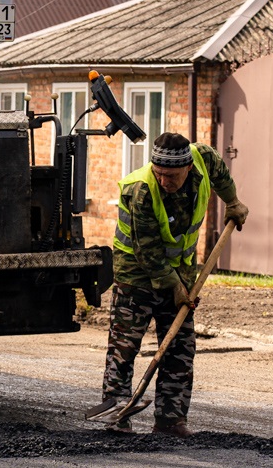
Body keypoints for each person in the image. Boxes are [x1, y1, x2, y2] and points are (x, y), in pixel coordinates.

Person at [101, 132, 248, 437]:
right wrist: (173, 285)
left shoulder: (203, 160)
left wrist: (233, 203)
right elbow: (148, 249)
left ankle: (171, 419)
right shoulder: (141, 189)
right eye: (160, 173)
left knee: (180, 347)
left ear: (187, 168)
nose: (165, 181)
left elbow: (221, 175)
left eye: (171, 175)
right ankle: (117, 413)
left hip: (181, 272)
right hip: (136, 274)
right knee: (125, 346)